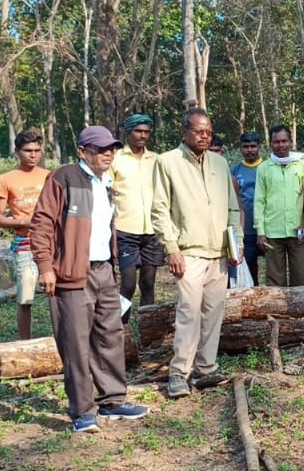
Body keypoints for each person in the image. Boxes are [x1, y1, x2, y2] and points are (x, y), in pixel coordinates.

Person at [30, 126, 149, 433]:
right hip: (71, 274)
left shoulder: (106, 181)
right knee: (75, 343)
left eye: (111, 148)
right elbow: (41, 224)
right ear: (83, 152)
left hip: (104, 271)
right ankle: (82, 410)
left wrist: (111, 265)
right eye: (100, 149)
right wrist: (45, 266)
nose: (107, 154)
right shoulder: (65, 178)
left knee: (110, 335)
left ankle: (112, 400)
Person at [153, 107, 242, 399]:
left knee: (213, 312)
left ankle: (206, 368)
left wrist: (236, 242)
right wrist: (171, 248)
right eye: (199, 131)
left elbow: (231, 208)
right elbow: (160, 209)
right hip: (188, 252)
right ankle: (179, 373)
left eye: (209, 132)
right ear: (184, 132)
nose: (205, 136)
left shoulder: (219, 162)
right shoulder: (167, 162)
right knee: (189, 311)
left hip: (218, 252)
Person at [0, 130, 51, 340]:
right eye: (28, 151)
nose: (33, 155)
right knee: (26, 296)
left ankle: (61, 338)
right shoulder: (6, 179)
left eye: (37, 150)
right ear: (17, 152)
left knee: (55, 293)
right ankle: (25, 343)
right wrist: (22, 221)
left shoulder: (49, 176)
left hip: (51, 242)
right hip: (24, 243)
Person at [110, 114, 163, 316]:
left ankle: (147, 327)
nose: (143, 136)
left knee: (148, 282)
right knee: (129, 283)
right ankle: (120, 327)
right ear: (128, 132)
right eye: (138, 131)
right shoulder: (115, 159)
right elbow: (107, 191)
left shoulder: (156, 160)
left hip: (152, 229)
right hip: (125, 229)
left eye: (146, 132)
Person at [254, 125, 304, 287]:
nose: (281, 145)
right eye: (276, 142)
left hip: (298, 230)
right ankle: (277, 312)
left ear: (290, 142)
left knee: (301, 278)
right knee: (275, 279)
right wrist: (261, 232)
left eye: (284, 141)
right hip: (272, 232)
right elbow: (259, 201)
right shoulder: (264, 168)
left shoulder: (301, 165)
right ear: (271, 144)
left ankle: (303, 312)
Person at [230, 132, 263, 285]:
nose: (250, 150)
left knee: (275, 270)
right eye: (246, 146)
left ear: (259, 147)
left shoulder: (267, 168)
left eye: (253, 146)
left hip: (266, 229)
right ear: (240, 148)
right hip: (246, 230)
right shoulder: (234, 171)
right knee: (250, 269)